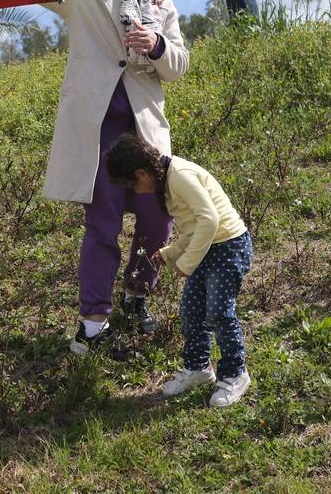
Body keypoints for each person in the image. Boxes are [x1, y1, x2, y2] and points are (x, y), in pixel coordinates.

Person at [42, 0, 189, 354]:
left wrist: (156, 44)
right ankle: (92, 325)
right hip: (101, 128)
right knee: (102, 224)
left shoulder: (162, 1)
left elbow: (179, 64)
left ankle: (136, 297)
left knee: (156, 219)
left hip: (144, 130)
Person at [105, 134, 253, 407]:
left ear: (141, 173)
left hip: (228, 246)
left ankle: (235, 373)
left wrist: (186, 264)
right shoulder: (165, 181)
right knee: (191, 312)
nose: (134, 192)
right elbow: (193, 227)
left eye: (131, 184)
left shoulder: (180, 176)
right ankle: (198, 369)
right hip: (208, 246)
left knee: (219, 312)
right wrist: (172, 252)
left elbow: (210, 220)